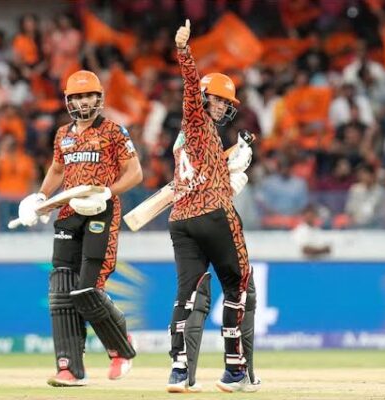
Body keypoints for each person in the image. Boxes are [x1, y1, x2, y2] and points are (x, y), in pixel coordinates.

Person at [16, 70, 143, 386]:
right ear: (68, 100)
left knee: (86, 289)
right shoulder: (63, 135)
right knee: (61, 288)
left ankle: (120, 348)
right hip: (68, 212)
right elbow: (58, 169)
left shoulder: (114, 131)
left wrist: (108, 191)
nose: (83, 101)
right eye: (77, 96)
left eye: (88, 95)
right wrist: (41, 198)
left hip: (101, 210)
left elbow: (135, 173)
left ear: (99, 98)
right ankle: (70, 368)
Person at [166, 19, 260, 393]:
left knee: (186, 294)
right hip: (214, 215)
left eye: (226, 101)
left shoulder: (191, 140)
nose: (221, 106)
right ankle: (235, 370)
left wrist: (237, 163)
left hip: (181, 219)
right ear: (205, 98)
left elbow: (211, 172)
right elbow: (191, 87)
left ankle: (179, 372)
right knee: (239, 286)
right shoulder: (197, 118)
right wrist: (185, 51)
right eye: (217, 98)